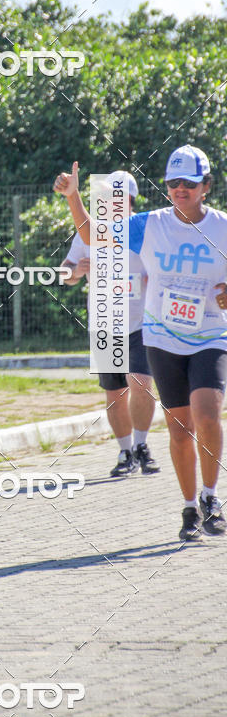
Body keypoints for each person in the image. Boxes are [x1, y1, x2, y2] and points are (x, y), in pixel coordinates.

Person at [54, 146, 227, 541]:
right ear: (166, 186)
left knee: (207, 414)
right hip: (162, 337)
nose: (181, 189)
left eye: (190, 183)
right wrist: (74, 197)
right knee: (180, 429)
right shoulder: (149, 224)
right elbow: (90, 235)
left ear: (206, 186)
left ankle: (211, 496)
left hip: (210, 336)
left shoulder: (222, 227)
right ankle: (188, 508)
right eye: (173, 183)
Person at [61, 172, 159, 477]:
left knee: (141, 383)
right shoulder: (88, 231)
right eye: (104, 198)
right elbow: (64, 274)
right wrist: (76, 270)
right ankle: (125, 451)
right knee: (115, 393)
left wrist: (153, 278)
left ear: (130, 199)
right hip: (104, 324)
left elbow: (163, 268)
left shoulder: (144, 230)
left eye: (117, 198)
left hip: (140, 323)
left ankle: (142, 445)